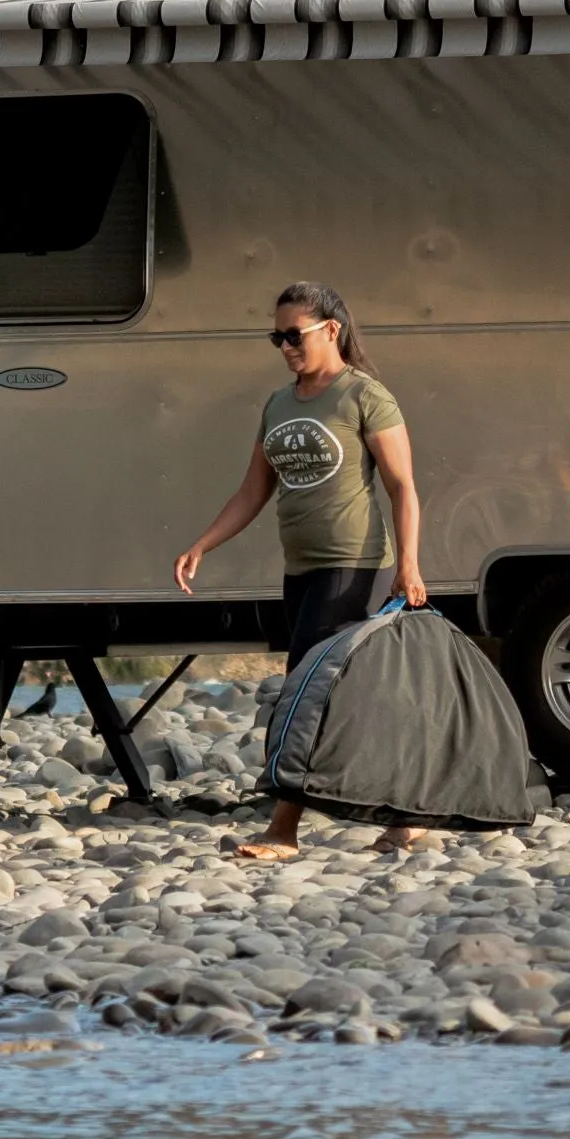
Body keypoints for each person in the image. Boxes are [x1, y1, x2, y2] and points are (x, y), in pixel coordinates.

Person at [168, 278, 424, 860]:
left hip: (355, 565)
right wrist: (203, 544)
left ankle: (284, 827)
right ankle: (409, 815)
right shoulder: (279, 404)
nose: (285, 346)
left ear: (331, 330)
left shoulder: (365, 396)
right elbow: (253, 490)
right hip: (302, 568)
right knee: (350, 695)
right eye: (276, 337)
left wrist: (409, 564)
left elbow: (402, 486)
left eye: (295, 334)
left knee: (304, 687)